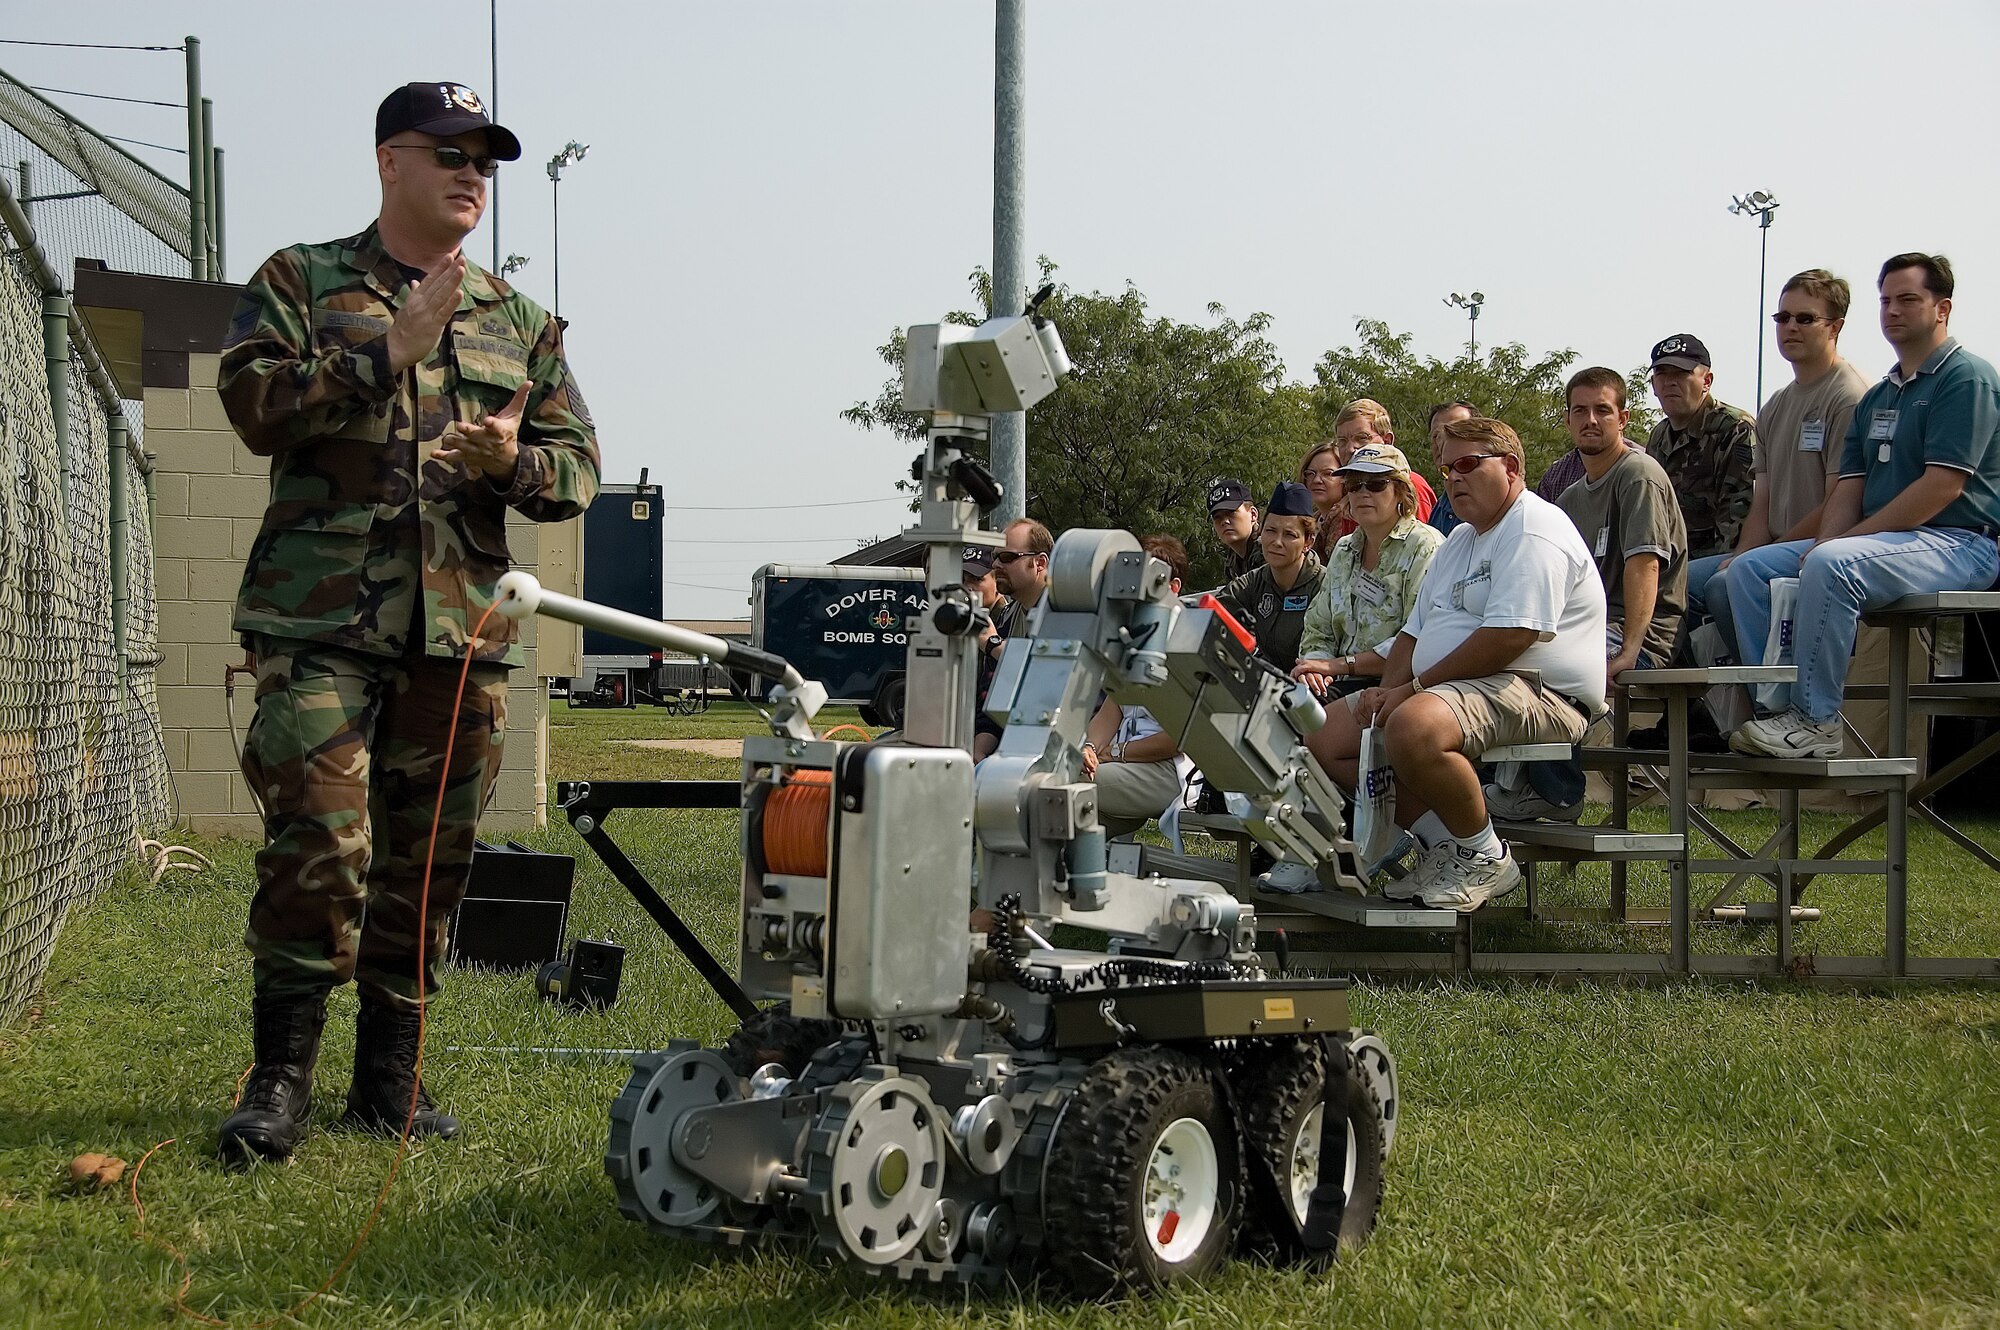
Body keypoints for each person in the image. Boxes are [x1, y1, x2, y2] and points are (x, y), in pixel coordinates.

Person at [214, 81, 600, 1164]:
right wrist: (381, 353)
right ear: (391, 161)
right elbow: (250, 406)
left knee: (430, 862)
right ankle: (278, 1081)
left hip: (459, 633)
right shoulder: (304, 279)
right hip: (319, 621)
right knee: (318, 847)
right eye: (450, 151)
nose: (472, 171)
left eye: (486, 156)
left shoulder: (520, 322)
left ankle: (390, 1083)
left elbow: (574, 471)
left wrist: (508, 462)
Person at [1280, 417, 1606, 908]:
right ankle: (1446, 844)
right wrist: (1381, 695)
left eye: (1469, 464)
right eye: (1447, 467)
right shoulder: (1460, 539)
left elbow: (1509, 637)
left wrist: (1408, 693)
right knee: (1326, 734)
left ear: (1512, 468)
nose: (1454, 477)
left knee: (1413, 725)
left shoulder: (1533, 529)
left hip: (1541, 689)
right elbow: (1414, 632)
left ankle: (1486, 857)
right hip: (1473, 686)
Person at [1726, 253, 2000, 759]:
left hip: (1960, 542)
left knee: (1833, 564)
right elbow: (1848, 486)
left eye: (1908, 300)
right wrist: (1830, 539)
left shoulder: (1967, 378)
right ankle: (1776, 713)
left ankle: (1816, 721)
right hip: (1888, 543)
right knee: (1748, 570)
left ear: (1943, 309)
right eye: (1886, 301)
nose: (1892, 311)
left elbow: (1942, 487)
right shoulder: (1880, 397)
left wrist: (1841, 545)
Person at [1492, 369, 1687, 820]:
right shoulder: (1573, 496)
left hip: (1642, 632)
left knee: (1545, 665)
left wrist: (1633, 650)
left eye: (1603, 410)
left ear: (1624, 418)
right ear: (1567, 420)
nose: (1591, 420)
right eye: (1581, 410)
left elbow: (1646, 565)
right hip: (1584, 627)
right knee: (1497, 651)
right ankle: (1508, 783)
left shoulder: (1638, 475)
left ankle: (1556, 792)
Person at [1705, 270, 1874, 661]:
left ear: (1835, 327)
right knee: (1677, 587)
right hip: (1775, 548)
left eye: (1805, 318)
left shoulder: (1849, 396)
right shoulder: (1775, 406)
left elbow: (1841, 501)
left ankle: (1774, 704)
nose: (1790, 327)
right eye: (1782, 318)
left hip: (1824, 547)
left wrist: (1755, 559)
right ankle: (1698, 716)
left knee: (1723, 587)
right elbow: (1761, 502)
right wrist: (1743, 553)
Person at [1292, 443, 1443, 697]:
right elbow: (1318, 626)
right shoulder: (1343, 549)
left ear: (1401, 491)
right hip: (1336, 684)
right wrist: (1314, 668)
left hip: (1396, 687)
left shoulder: (1425, 546)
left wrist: (1338, 666)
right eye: (1354, 485)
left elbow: (1418, 640)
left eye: (1375, 484)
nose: (1362, 493)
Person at [1081, 536, 1198, 836]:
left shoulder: (1187, 639)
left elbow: (1180, 738)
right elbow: (1111, 711)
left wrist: (1116, 751)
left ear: (1172, 587)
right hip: (1123, 764)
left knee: (1065, 785)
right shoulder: (1130, 632)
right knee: (1058, 812)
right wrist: (1091, 748)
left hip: (1171, 770)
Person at [1644, 333, 1757, 616]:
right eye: (1661, 373)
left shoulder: (1734, 428)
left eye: (1681, 373)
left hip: (1722, 560)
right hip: (1671, 562)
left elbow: (1738, 516)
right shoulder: (1659, 436)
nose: (1670, 382)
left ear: (1706, 381)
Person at [1217, 482, 1327, 674]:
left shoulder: (1325, 586)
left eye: (1290, 535)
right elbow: (1215, 609)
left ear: (1308, 541)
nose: (1276, 542)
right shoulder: (1254, 581)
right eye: (1270, 531)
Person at [1308, 399, 1438, 552]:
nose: (1350, 449)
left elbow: (1423, 551)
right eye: (1342, 441)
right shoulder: (1346, 497)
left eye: (1362, 438)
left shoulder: (1410, 484)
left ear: (1387, 440)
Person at [1426, 401, 1476, 534]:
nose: (1443, 441)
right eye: (1436, 436)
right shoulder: (1439, 509)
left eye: (1454, 432)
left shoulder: (1490, 504)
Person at [1206, 476, 1264, 579]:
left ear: (1253, 515)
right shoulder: (1233, 559)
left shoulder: (1267, 549)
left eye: (1231, 513)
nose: (1225, 521)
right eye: (1217, 518)